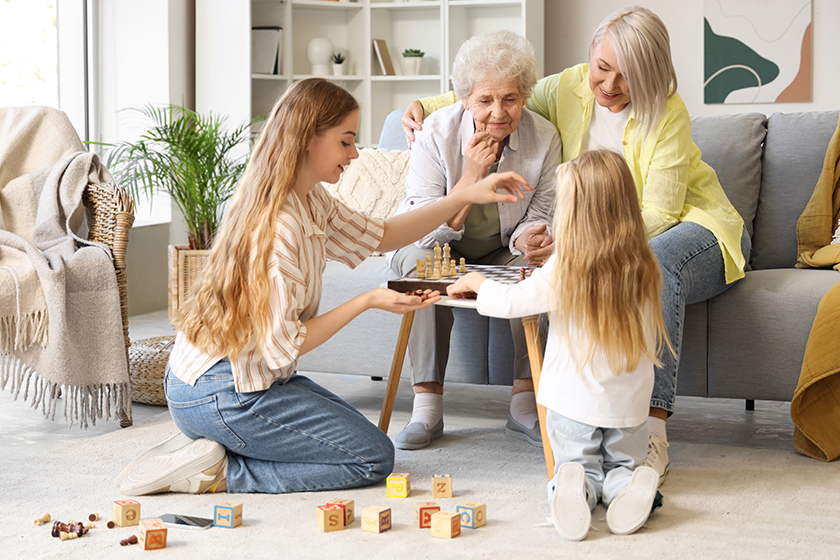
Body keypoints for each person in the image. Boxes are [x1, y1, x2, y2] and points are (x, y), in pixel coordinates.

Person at [116, 78, 532, 496]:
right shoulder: (278, 231)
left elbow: (384, 234)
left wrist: (466, 194)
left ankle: (206, 446)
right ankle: (217, 471)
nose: (355, 154)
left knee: (355, 435)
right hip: (223, 392)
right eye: (346, 141)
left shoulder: (307, 198)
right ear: (307, 138)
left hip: (239, 381)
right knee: (372, 457)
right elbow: (289, 344)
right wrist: (367, 300)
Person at [402, 6, 751, 485]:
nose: (608, 85)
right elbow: (495, 89)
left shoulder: (666, 114)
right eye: (603, 68)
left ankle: (653, 432)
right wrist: (422, 103)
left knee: (653, 264)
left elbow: (663, 212)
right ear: (591, 57)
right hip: (599, 231)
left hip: (696, 226)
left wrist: (578, 247)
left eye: (627, 77)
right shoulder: (569, 85)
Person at [448, 150, 670, 540]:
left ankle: (572, 486)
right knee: (623, 464)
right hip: (630, 403)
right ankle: (629, 484)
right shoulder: (644, 265)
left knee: (578, 463)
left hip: (573, 402)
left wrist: (477, 283)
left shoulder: (565, 267)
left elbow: (511, 302)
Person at [386, 29, 562, 451]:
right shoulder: (435, 133)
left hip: (502, 251)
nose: (498, 113)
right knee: (414, 262)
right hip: (437, 247)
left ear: (525, 95)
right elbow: (422, 227)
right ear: (464, 99)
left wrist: (533, 241)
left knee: (542, 268)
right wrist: (470, 178)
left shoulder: (545, 138)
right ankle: (427, 406)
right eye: (485, 100)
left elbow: (538, 213)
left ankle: (524, 404)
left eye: (510, 99)